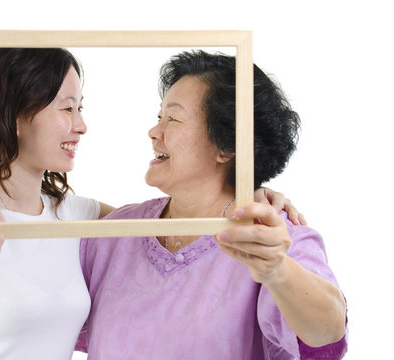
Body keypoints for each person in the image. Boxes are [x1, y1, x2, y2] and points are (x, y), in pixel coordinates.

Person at [0, 48, 303, 359]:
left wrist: (248, 191)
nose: (81, 125)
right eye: (67, 108)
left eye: (81, 108)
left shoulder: (78, 216)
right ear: (12, 113)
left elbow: (175, 225)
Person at [76, 51, 348, 359]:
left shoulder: (273, 239)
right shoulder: (114, 234)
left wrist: (278, 270)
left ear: (227, 146)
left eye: (173, 118)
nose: (154, 132)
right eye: (158, 117)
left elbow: (328, 331)